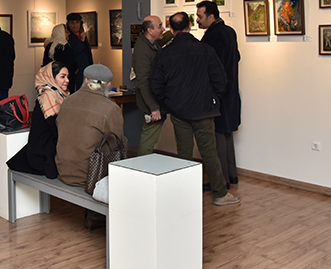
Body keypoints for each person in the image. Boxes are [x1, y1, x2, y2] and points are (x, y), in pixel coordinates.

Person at [149, 12, 240, 206]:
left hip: (179, 111)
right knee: (209, 153)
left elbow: (155, 84)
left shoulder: (165, 53)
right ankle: (221, 194)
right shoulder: (205, 50)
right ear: (190, 26)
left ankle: (185, 194)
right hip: (204, 110)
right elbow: (220, 80)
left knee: (184, 154)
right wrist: (212, 99)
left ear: (171, 30)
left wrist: (169, 103)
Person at [56, 63, 125, 230]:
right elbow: (119, 144)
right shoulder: (110, 108)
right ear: (108, 84)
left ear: (86, 80)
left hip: (62, 169)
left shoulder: (67, 101)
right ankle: (95, 216)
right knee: (116, 152)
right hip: (87, 177)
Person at [197, 0, 241, 189]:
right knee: (226, 133)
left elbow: (212, 67)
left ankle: (220, 181)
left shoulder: (213, 36)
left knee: (217, 136)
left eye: (200, 16)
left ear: (211, 17)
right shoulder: (229, 31)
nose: (197, 20)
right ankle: (232, 175)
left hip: (218, 93)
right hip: (231, 91)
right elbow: (236, 57)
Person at [7, 61, 70, 178]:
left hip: (49, 145)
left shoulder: (59, 94)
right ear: (51, 77)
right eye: (62, 76)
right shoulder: (48, 96)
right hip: (42, 153)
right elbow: (55, 127)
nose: (67, 80)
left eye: (67, 77)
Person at [132, 15, 166, 156]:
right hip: (151, 103)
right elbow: (143, 82)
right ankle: (142, 169)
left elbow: (166, 36)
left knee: (150, 136)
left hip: (155, 100)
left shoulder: (149, 44)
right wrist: (154, 108)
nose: (163, 28)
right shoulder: (142, 50)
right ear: (150, 30)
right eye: (159, 26)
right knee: (149, 137)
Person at [65, 13, 93, 93]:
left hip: (86, 69)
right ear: (69, 24)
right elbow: (73, 52)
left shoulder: (82, 34)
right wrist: (82, 42)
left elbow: (88, 52)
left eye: (77, 22)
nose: (75, 25)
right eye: (72, 23)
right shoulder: (68, 36)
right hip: (77, 71)